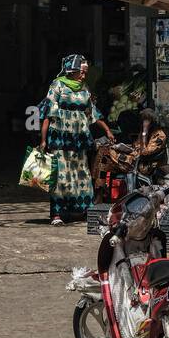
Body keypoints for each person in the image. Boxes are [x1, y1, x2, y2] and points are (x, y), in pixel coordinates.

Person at [39, 54, 114, 226]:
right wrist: (43, 140)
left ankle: (83, 211)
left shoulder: (84, 88)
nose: (83, 76)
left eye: (85, 73)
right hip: (60, 139)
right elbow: (47, 114)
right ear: (71, 70)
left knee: (81, 176)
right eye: (81, 72)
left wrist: (107, 130)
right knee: (60, 177)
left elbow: (92, 112)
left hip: (79, 140)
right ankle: (57, 214)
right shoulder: (57, 85)